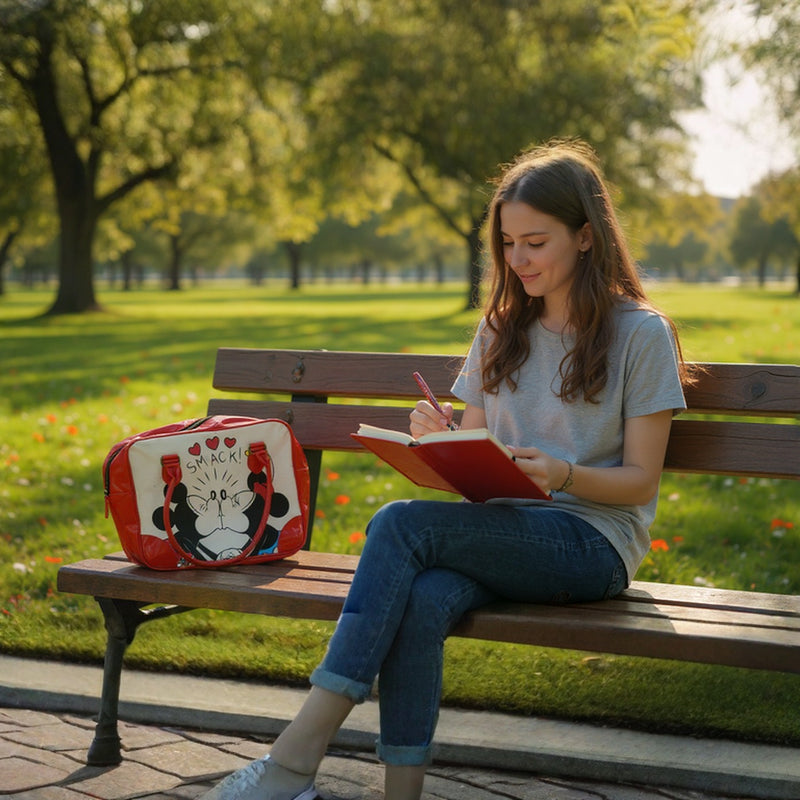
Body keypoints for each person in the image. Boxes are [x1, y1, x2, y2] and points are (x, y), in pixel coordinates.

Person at [200, 138, 690, 800]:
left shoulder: (641, 335)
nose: (517, 260)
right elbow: (476, 458)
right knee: (424, 598)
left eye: (535, 242)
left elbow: (641, 483)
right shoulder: (499, 329)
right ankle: (400, 793)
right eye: (508, 244)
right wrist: (438, 441)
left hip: (592, 541)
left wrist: (562, 475)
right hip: (501, 527)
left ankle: (296, 754)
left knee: (399, 527)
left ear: (585, 235)